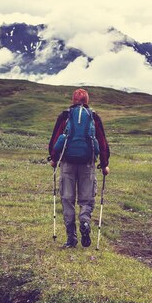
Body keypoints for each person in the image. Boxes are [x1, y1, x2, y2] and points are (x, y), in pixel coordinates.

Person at [48, 89, 110, 248]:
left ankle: (71, 239)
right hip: (88, 164)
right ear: (87, 101)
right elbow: (102, 142)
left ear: (73, 100)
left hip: (67, 163)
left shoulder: (65, 116)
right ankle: (85, 221)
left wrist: (54, 159)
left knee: (67, 199)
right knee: (87, 198)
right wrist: (104, 164)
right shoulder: (93, 117)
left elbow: (55, 139)